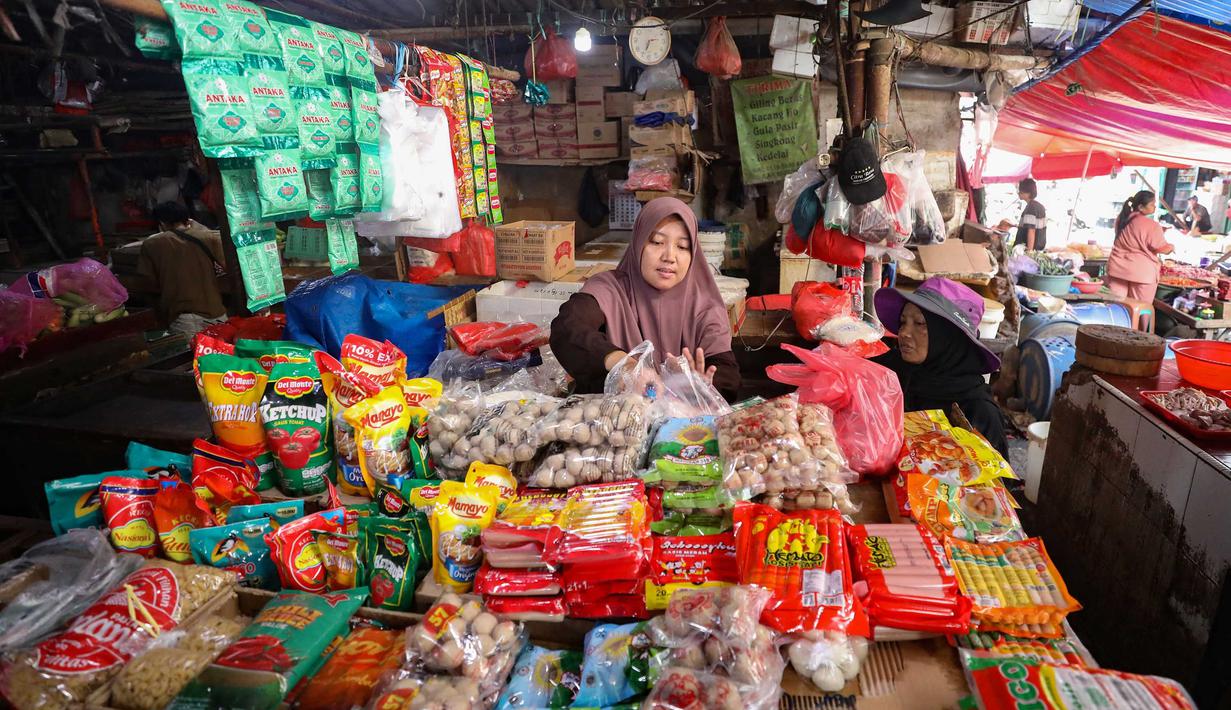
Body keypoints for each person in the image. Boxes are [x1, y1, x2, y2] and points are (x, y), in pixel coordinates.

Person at [550, 197, 740, 402]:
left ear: (693, 254)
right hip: (613, 425)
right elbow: (567, 328)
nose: (669, 256)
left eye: (682, 246)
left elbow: (728, 378)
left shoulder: (705, 306)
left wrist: (698, 387)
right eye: (657, 242)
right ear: (639, 243)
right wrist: (625, 366)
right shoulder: (609, 289)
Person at [872, 277, 1008, 457]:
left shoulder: (978, 411)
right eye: (903, 322)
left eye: (919, 323)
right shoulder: (894, 369)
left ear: (948, 335)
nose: (903, 333)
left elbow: (997, 482)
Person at [138, 201, 228, 337]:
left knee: (192, 358)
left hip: (184, 318)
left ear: (161, 223)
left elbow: (148, 281)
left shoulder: (152, 244)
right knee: (222, 356)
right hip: (218, 313)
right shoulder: (210, 237)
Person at [1106, 190, 1174, 302]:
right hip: (1141, 273)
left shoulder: (1122, 219)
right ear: (1141, 207)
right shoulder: (1152, 225)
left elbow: (1134, 237)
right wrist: (1171, 247)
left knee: (1116, 307)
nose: (1155, 207)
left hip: (1117, 269)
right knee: (1141, 309)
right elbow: (1162, 248)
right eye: (1152, 204)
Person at [1013, 178, 1047, 251]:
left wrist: (1029, 252)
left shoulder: (1030, 208)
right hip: (1039, 248)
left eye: (1021, 191)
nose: (1019, 193)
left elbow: (1031, 230)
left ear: (1028, 193)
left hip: (1027, 249)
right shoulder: (1040, 206)